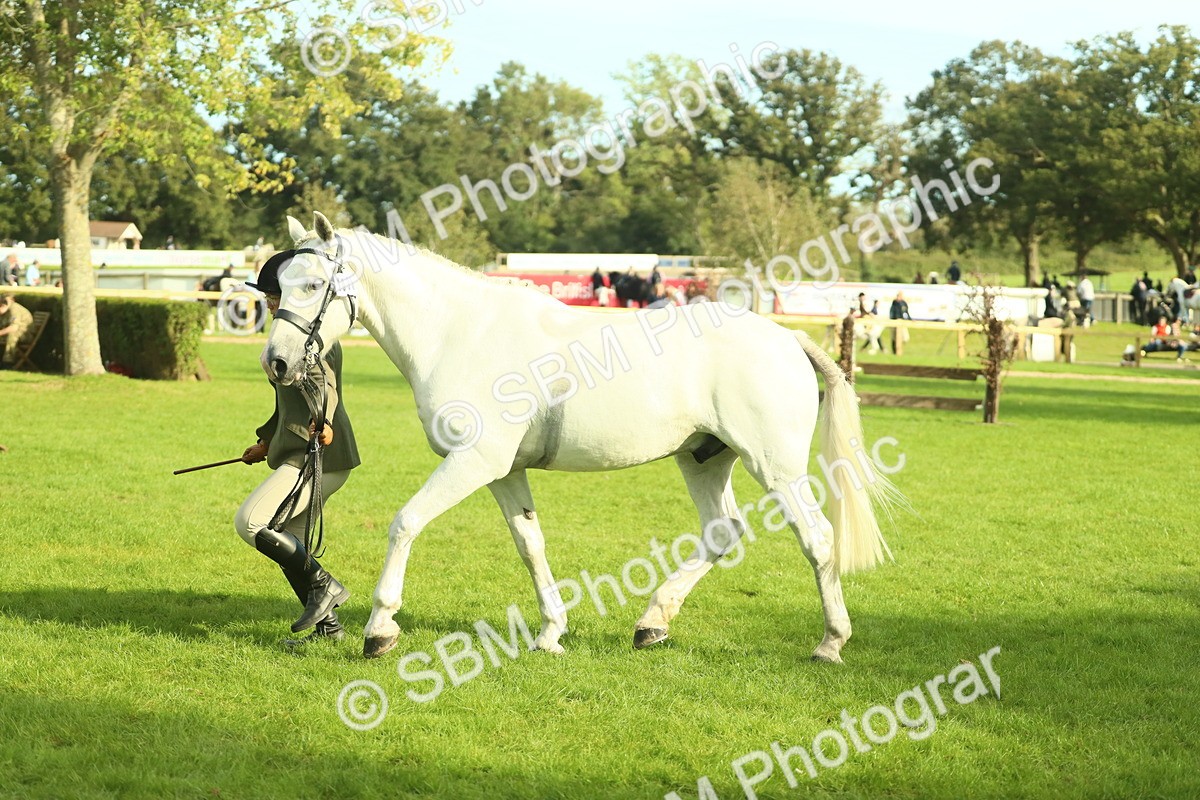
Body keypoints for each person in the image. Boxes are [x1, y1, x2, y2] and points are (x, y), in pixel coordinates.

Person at [233, 251, 361, 645]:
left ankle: (327, 586)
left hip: (319, 455)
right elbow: (285, 402)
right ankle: (329, 629)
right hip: (295, 451)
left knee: (251, 522)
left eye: (274, 295)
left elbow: (326, 386)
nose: (270, 303)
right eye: (269, 295)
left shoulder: (312, 338)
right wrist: (267, 441)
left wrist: (324, 421)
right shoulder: (286, 335)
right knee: (290, 540)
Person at [0, 294, 34, 368]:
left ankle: (8, 361)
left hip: (25, 335)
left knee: (12, 334)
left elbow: (14, 327)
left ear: (2, 305)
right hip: (16, 333)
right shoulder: (5, 311)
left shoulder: (14, 309)